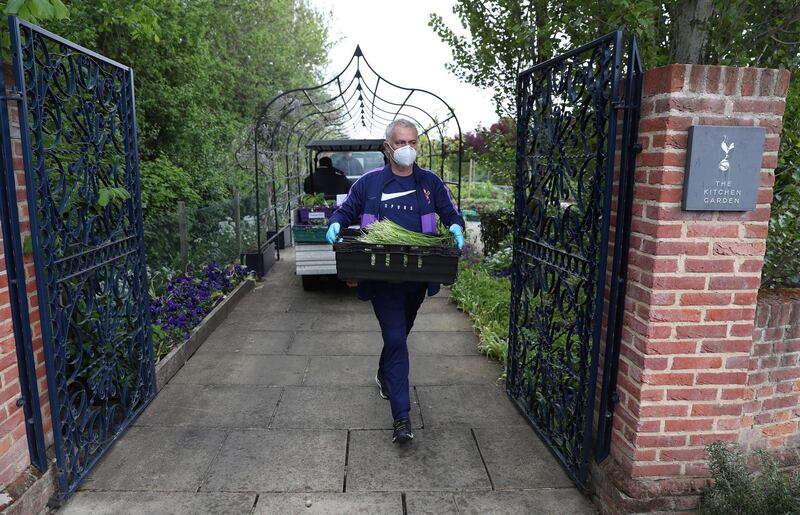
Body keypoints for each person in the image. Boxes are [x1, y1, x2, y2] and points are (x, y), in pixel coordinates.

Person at [325, 119, 465, 444]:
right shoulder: (369, 183)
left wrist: (456, 227)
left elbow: (449, 213)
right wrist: (335, 224)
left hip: (418, 276)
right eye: (401, 143)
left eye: (413, 143)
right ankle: (402, 417)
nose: (408, 149)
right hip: (382, 275)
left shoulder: (429, 182)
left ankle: (384, 372)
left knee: (400, 332)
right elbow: (346, 211)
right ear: (388, 147)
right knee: (397, 337)